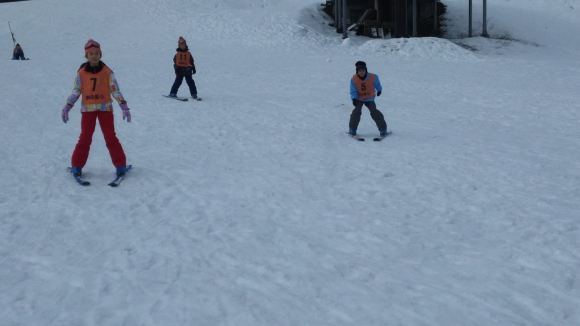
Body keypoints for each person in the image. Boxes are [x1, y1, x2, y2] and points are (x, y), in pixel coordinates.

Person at [61, 39, 131, 177]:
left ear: (100, 55)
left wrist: (123, 105)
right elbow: (76, 91)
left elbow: (115, 90)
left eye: (96, 53)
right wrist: (68, 106)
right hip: (88, 111)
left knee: (110, 137)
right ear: (86, 56)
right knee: (85, 138)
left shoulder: (107, 72)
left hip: (105, 109)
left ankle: (120, 165)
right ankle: (77, 165)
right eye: (91, 54)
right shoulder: (81, 73)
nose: (94, 56)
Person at [349, 61, 388, 136]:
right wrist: (354, 99)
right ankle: (352, 128)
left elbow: (377, 83)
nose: (361, 72)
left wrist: (379, 90)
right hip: (359, 98)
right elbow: (353, 90)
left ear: (366, 70)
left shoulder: (373, 77)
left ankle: (383, 129)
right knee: (356, 112)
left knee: (375, 112)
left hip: (369, 98)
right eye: (360, 71)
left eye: (363, 71)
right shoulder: (354, 79)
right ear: (357, 71)